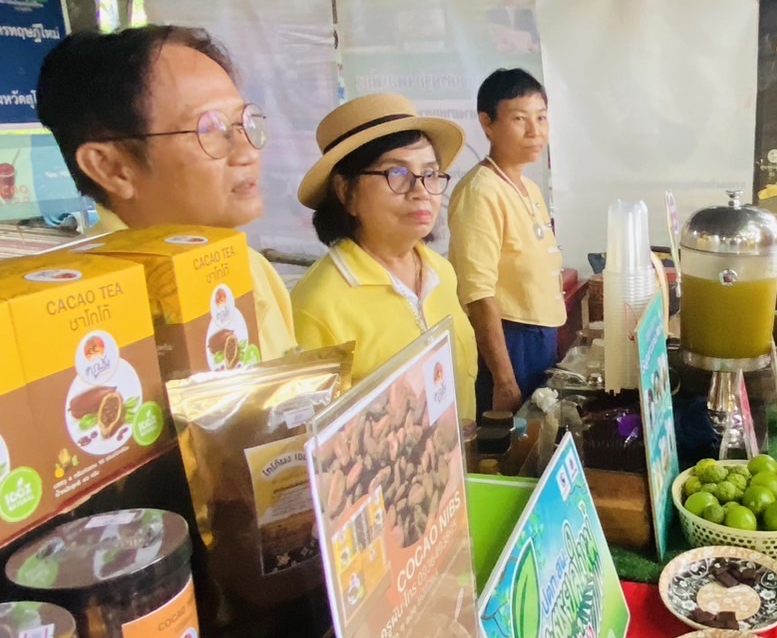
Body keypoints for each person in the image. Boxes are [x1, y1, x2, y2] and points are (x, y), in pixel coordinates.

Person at [36, 25, 296, 359]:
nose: (247, 152)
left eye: (243, 122)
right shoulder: (82, 317)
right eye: (210, 129)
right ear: (111, 168)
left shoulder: (251, 268)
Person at [291, 94, 478, 418]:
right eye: (397, 174)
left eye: (431, 174)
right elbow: (318, 439)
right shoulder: (318, 306)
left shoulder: (441, 272)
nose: (421, 191)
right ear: (345, 191)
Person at [448, 68, 566, 414]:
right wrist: (504, 380)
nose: (535, 131)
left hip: (539, 338)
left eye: (541, 118)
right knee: (508, 447)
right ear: (487, 123)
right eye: (519, 119)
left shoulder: (527, 187)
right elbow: (478, 294)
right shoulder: (481, 191)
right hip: (508, 342)